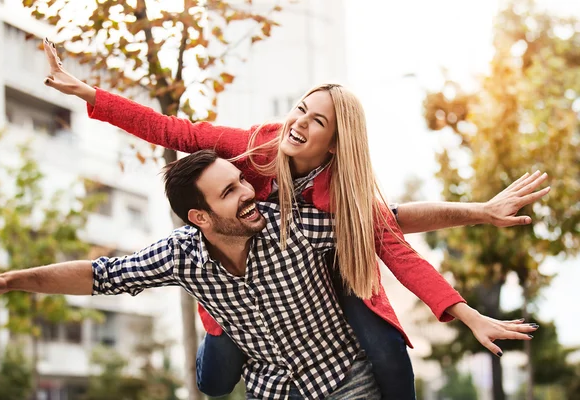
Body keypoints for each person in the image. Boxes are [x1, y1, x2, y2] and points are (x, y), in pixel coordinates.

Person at [41, 39, 549, 398]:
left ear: (337, 140)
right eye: (301, 110)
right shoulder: (257, 146)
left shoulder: (346, 196)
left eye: (317, 121)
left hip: (318, 284)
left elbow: (396, 245)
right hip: (242, 290)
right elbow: (174, 131)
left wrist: (465, 312)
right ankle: (222, 329)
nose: (300, 124)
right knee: (214, 383)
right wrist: (90, 95)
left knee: (388, 349)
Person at [0, 151, 538, 399]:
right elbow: (95, 275)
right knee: (212, 378)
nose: (248, 192)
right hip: (272, 389)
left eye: (241, 182)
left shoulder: (292, 224)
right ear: (199, 218)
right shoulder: (180, 255)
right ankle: (215, 325)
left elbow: (388, 223)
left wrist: (479, 210)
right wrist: (9, 283)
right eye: (229, 192)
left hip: (344, 380)